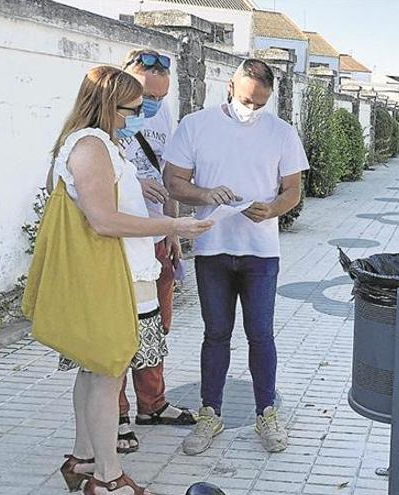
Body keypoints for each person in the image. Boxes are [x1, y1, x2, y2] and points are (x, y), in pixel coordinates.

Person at [45, 66, 212, 494]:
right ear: (108, 106)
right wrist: (175, 227)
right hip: (113, 277)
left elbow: (96, 197)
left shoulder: (95, 144)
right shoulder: (91, 146)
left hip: (114, 273)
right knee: (108, 376)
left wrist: (133, 183)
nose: (139, 116)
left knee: (93, 371)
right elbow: (102, 220)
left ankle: (84, 460)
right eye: (134, 109)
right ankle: (108, 479)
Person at [163, 59, 309, 455]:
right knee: (216, 334)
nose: (253, 108)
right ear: (230, 86)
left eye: (260, 103)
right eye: (247, 100)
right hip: (212, 248)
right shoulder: (196, 125)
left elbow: (293, 189)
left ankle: (267, 413)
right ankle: (211, 412)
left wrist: (274, 208)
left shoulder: (281, 132)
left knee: (261, 334)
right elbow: (173, 182)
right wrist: (205, 194)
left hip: (261, 253)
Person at [115, 49, 196, 454]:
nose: (152, 105)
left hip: (158, 239)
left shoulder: (163, 114)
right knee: (117, 332)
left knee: (156, 328)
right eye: (147, 96)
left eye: (160, 98)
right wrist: (130, 183)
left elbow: (168, 174)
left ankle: (152, 404)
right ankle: (116, 417)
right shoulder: (104, 115)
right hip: (119, 245)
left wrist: (173, 231)